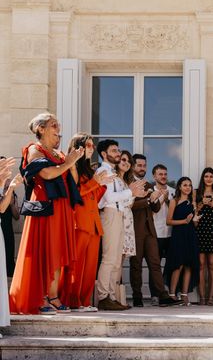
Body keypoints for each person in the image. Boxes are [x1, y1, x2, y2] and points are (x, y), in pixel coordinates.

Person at [10, 113, 84, 314]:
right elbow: (46, 174)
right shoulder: (35, 149)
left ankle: (53, 297)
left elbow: (74, 182)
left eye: (58, 126)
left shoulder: (59, 155)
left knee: (58, 252)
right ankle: (40, 297)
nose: (58, 129)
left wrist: (73, 161)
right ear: (41, 129)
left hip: (62, 208)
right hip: (45, 208)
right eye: (53, 125)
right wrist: (68, 163)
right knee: (44, 251)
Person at [60, 134, 113, 312]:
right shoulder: (72, 167)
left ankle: (84, 301)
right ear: (78, 147)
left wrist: (101, 185)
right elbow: (74, 194)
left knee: (90, 266)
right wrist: (95, 183)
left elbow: (93, 199)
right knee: (75, 265)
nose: (92, 148)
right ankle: (71, 300)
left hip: (93, 223)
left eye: (92, 145)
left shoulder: (90, 170)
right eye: (88, 144)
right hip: (79, 222)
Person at [95, 139, 145, 311]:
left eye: (118, 150)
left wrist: (132, 193)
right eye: (114, 150)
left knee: (116, 261)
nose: (118, 153)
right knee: (109, 258)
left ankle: (112, 296)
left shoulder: (113, 173)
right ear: (104, 154)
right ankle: (103, 297)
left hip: (119, 215)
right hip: (109, 214)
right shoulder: (103, 171)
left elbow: (121, 198)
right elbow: (108, 198)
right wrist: (131, 191)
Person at [129, 154, 181, 308]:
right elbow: (131, 205)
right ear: (133, 166)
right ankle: (137, 296)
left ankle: (162, 296)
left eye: (144, 165)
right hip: (135, 229)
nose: (142, 168)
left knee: (155, 263)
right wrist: (147, 200)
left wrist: (157, 198)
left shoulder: (148, 185)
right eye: (139, 165)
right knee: (136, 264)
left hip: (150, 231)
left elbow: (156, 208)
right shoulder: (128, 183)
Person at [164, 176, 200, 305]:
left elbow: (194, 224)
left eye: (190, 185)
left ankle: (184, 294)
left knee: (188, 265)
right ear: (179, 187)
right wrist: (184, 221)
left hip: (190, 235)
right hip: (178, 235)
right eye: (185, 185)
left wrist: (195, 220)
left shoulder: (193, 203)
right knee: (177, 265)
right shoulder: (174, 201)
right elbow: (168, 221)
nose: (188, 187)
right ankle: (172, 294)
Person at [195, 167, 213, 306]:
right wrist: (201, 204)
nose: (208, 178)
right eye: (206, 176)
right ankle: (202, 297)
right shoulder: (197, 193)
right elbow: (194, 212)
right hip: (200, 231)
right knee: (200, 265)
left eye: (211, 176)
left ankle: (212, 297)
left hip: (212, 232)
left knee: (212, 265)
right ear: (203, 178)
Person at [1, 157, 21, 330]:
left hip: (5, 228)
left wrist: (11, 190)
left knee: (7, 265)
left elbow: (13, 214)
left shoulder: (8, 189)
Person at [150, 164, 175, 306]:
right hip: (156, 233)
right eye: (160, 174)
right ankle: (155, 295)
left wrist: (166, 199)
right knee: (155, 266)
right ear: (154, 176)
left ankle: (169, 292)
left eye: (165, 174)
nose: (163, 176)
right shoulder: (150, 191)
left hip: (171, 233)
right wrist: (160, 198)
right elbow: (151, 210)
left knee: (170, 265)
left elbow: (176, 210)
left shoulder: (172, 191)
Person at [0, 156, 19, 280]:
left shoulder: (11, 191)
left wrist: (11, 202)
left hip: (7, 232)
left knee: (8, 263)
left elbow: (17, 216)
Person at [117, 151, 137, 261]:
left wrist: (135, 194)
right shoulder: (114, 179)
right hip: (118, 221)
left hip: (127, 222)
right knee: (115, 258)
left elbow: (129, 205)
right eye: (124, 159)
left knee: (121, 258)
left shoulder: (126, 182)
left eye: (129, 161)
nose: (127, 163)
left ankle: (116, 280)